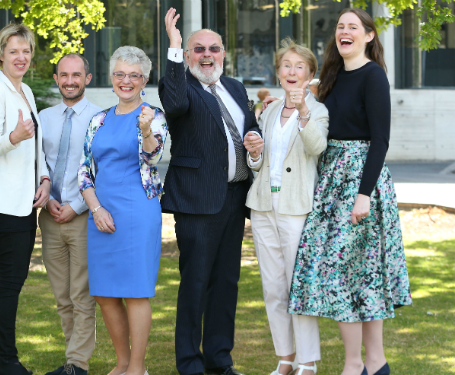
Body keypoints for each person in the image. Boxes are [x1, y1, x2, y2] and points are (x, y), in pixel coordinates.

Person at [288, 8, 412, 375]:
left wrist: (364, 194)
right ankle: (372, 363)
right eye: (340, 26)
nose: (344, 32)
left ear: (369, 36)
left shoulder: (374, 77)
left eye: (353, 27)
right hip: (331, 179)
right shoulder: (332, 75)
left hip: (360, 182)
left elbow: (381, 140)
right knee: (353, 275)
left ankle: (357, 364)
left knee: (353, 273)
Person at [159, 8, 264, 375]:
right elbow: (172, 104)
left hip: (234, 200)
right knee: (195, 284)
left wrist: (255, 143)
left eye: (214, 49)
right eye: (198, 49)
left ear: (223, 53)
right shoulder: (180, 86)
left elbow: (250, 133)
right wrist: (173, 45)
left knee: (226, 284)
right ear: (188, 56)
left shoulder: (235, 87)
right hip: (197, 203)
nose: (207, 55)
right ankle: (189, 363)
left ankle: (220, 360)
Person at [78, 45, 168, 375]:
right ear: (111, 78)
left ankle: (138, 368)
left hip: (137, 211)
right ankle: (122, 361)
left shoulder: (153, 115)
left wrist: (144, 130)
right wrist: (96, 209)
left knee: (136, 291)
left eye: (133, 75)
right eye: (120, 74)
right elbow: (84, 170)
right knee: (104, 292)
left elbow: (153, 157)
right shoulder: (98, 119)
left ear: (144, 80)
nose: (125, 81)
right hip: (101, 211)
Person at [244, 38, 328, 375]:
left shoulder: (318, 110)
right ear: (278, 72)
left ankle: (308, 362)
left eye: (299, 67)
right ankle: (285, 358)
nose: (292, 72)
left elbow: (317, 147)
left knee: (298, 285)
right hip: (264, 205)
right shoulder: (270, 110)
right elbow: (260, 163)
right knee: (273, 286)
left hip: (296, 207)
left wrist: (305, 112)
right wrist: (254, 152)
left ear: (309, 75)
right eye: (286, 66)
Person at [0, 23, 50, 375]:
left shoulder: (23, 91)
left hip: (25, 201)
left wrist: (44, 178)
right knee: (11, 281)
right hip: (5, 203)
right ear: (2, 55)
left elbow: (35, 148)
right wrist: (14, 136)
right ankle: (7, 360)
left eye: (26, 51)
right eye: (14, 52)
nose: (21, 57)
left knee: (10, 280)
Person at [39, 53, 102, 375]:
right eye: (64, 75)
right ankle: (71, 361)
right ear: (56, 78)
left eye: (76, 75)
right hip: (49, 218)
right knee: (62, 296)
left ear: (87, 79)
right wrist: (47, 198)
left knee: (81, 294)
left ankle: (78, 364)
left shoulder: (100, 118)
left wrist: (76, 206)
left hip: (82, 217)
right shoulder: (44, 117)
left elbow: (100, 169)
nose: (70, 81)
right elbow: (39, 164)